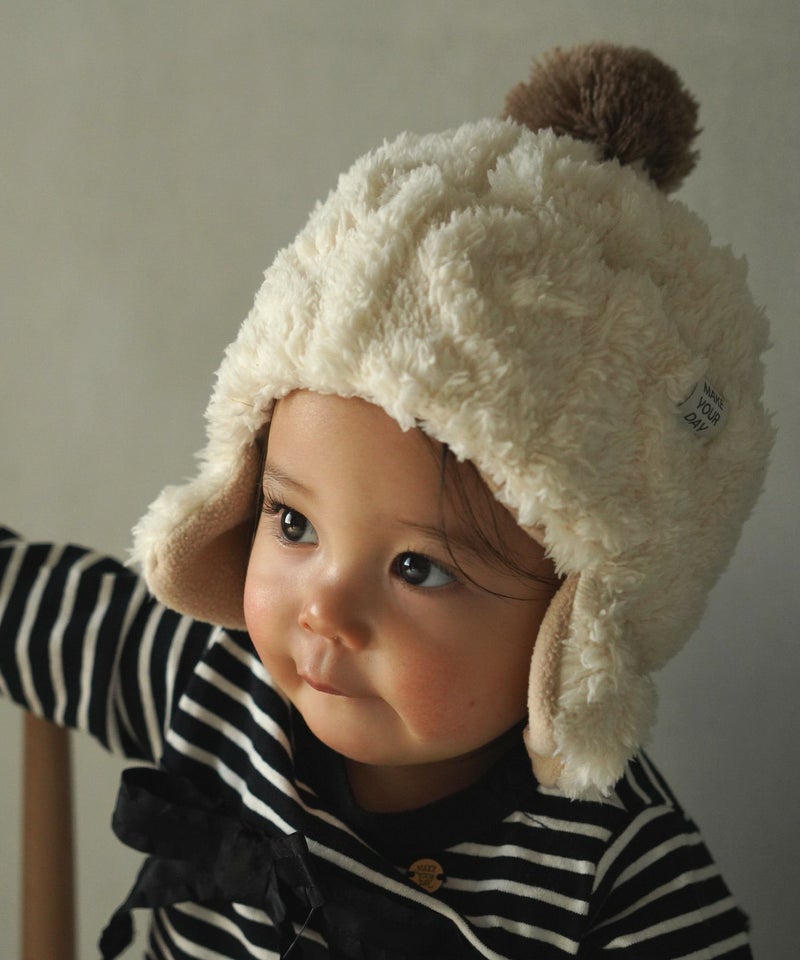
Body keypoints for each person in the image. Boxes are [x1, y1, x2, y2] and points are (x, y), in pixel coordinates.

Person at [0, 43, 771, 959]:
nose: (323, 609)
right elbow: (28, 606)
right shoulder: (216, 685)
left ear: (578, 627)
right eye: (293, 523)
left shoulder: (609, 864)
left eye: (417, 567)